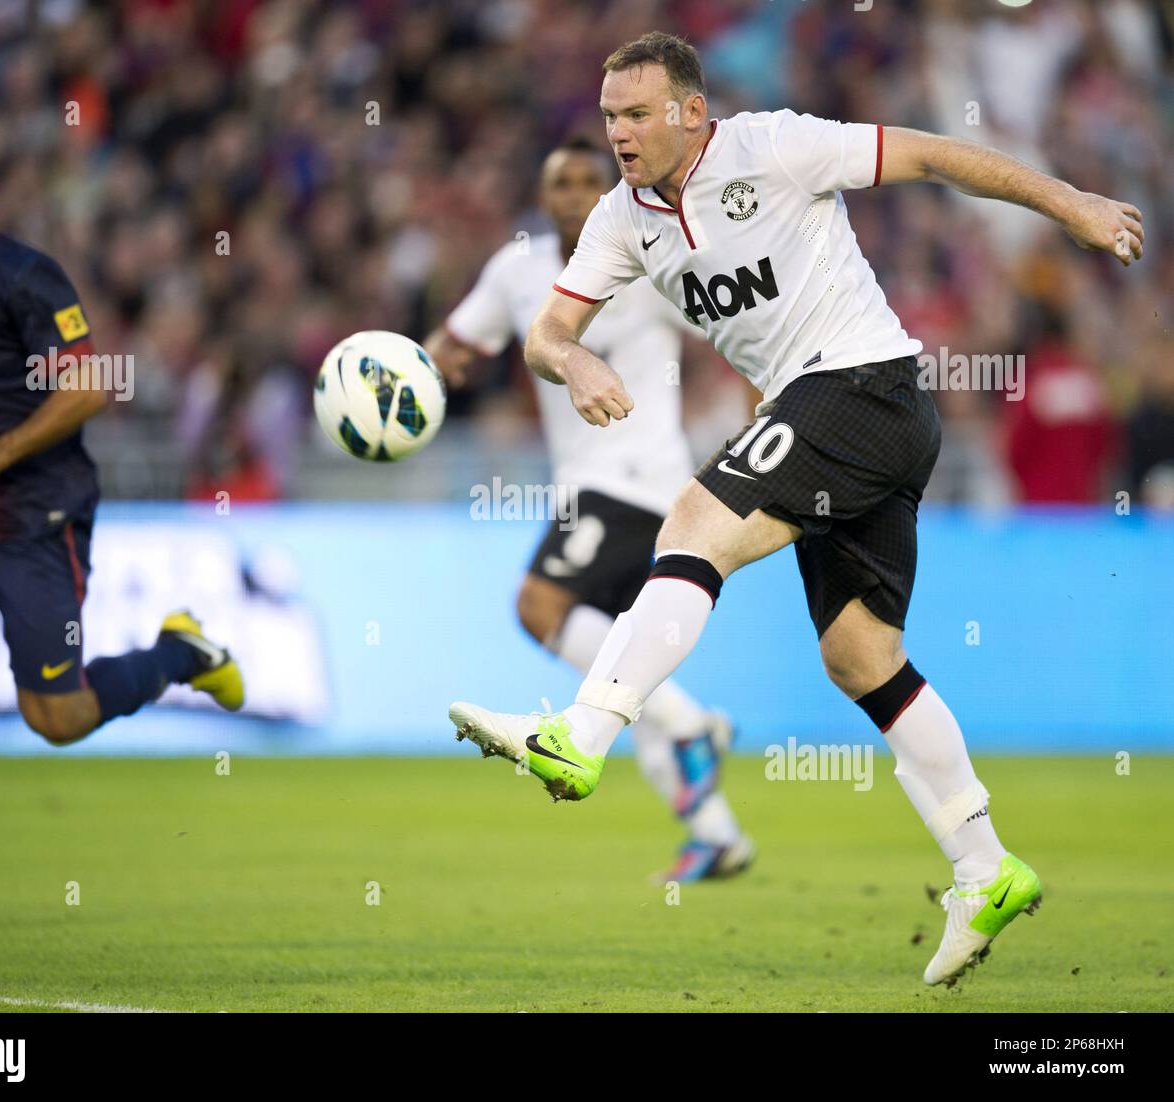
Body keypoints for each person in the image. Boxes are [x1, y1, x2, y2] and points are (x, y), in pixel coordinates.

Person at [449, 32, 1143, 986]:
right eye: (610, 116)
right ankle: (986, 867)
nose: (619, 132)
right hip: (845, 419)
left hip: (862, 385)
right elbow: (545, 332)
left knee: (694, 523)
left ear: (691, 112)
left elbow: (937, 154)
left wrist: (1073, 205)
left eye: (638, 114)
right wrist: (576, 361)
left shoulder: (775, 145)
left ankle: (584, 733)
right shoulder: (621, 219)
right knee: (861, 658)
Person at [0, 123, 244, 941]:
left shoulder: (25, 277)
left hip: (38, 518)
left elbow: (86, 388)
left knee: (57, 717)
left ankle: (181, 652)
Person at [427, 136, 753, 883]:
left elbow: (732, 334)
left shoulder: (651, 254)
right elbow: (453, 346)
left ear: (606, 188)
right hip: (587, 485)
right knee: (617, 658)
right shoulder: (518, 272)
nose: (574, 192)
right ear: (544, 197)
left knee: (539, 605)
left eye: (586, 179)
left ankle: (692, 722)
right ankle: (716, 833)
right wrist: (399, 378)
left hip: (640, 479)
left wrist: (745, 424)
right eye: (561, 181)